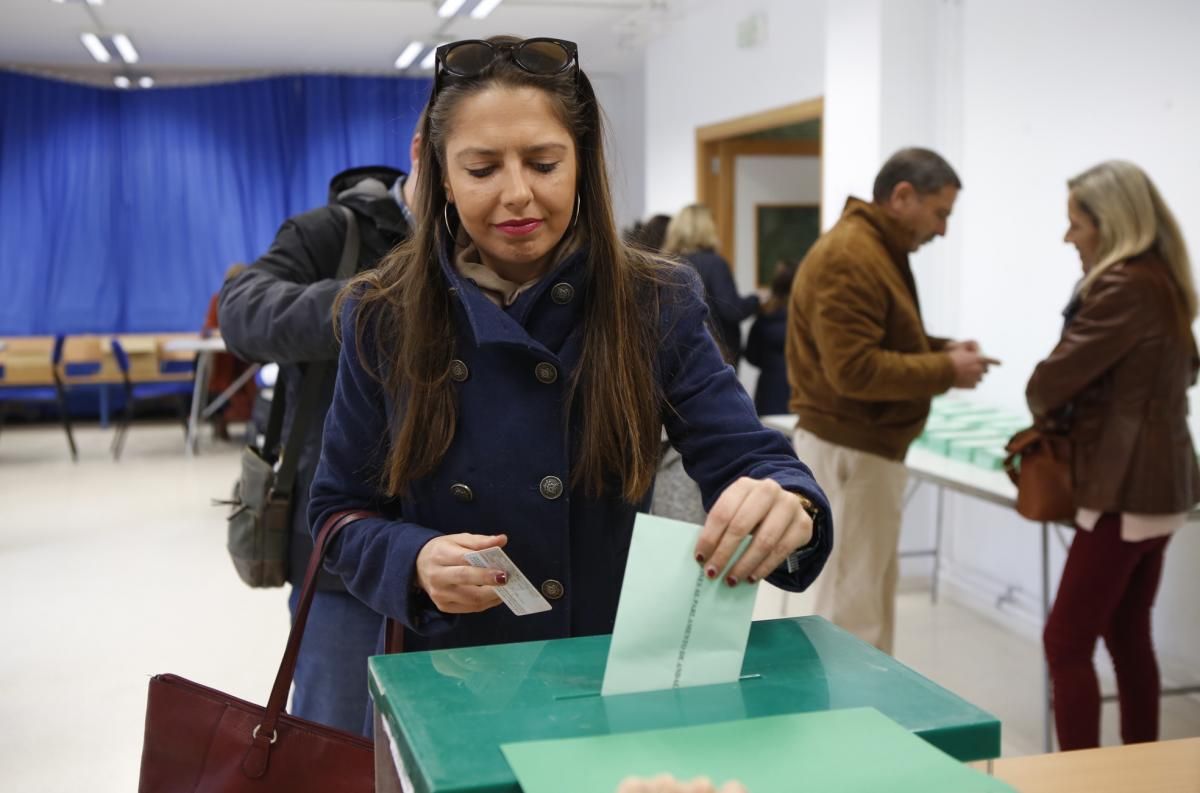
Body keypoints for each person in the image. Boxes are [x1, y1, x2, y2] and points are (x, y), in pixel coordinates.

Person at [308, 35, 831, 673]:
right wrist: (411, 560)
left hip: (604, 663)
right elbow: (338, 512)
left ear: (582, 162)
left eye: (543, 163)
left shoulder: (652, 299)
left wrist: (788, 504)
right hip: (452, 671)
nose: (517, 192)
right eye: (482, 169)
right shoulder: (384, 313)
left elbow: (748, 455)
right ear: (440, 176)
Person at [217, 136, 421, 734]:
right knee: (334, 738)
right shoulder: (332, 231)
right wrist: (370, 307)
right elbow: (242, 311)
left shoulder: (487, 236)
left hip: (456, 543)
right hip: (341, 544)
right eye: (478, 164)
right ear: (424, 151)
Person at [786, 147, 996, 654]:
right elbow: (855, 370)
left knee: (862, 596)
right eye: (940, 213)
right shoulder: (852, 255)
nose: (942, 230)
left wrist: (939, 349)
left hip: (861, 448)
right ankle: (844, 725)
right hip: (852, 451)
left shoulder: (872, 249)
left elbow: (880, 340)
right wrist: (946, 370)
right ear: (903, 196)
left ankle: (856, 717)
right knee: (849, 607)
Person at [1027, 161, 1199, 751]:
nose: (1068, 237)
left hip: (1124, 488)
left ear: (1112, 223)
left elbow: (1047, 385)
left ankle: (1082, 781)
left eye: (1075, 223)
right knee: (1128, 636)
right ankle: (1139, 775)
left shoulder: (1122, 286)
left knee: (1065, 643)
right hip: (1162, 487)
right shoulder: (1164, 281)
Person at [663, 205, 760, 364]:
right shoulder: (715, 264)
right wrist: (755, 301)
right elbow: (731, 309)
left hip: (677, 354)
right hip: (714, 354)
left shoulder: (667, 264)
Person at [202, 262, 255, 441]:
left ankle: (255, 425)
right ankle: (220, 420)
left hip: (246, 360)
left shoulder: (251, 301)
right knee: (222, 381)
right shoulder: (218, 301)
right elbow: (207, 330)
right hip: (225, 360)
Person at [744, 259, 799, 415]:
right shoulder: (807, 319)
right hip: (800, 389)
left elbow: (751, 355)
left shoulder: (764, 317)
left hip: (768, 390)